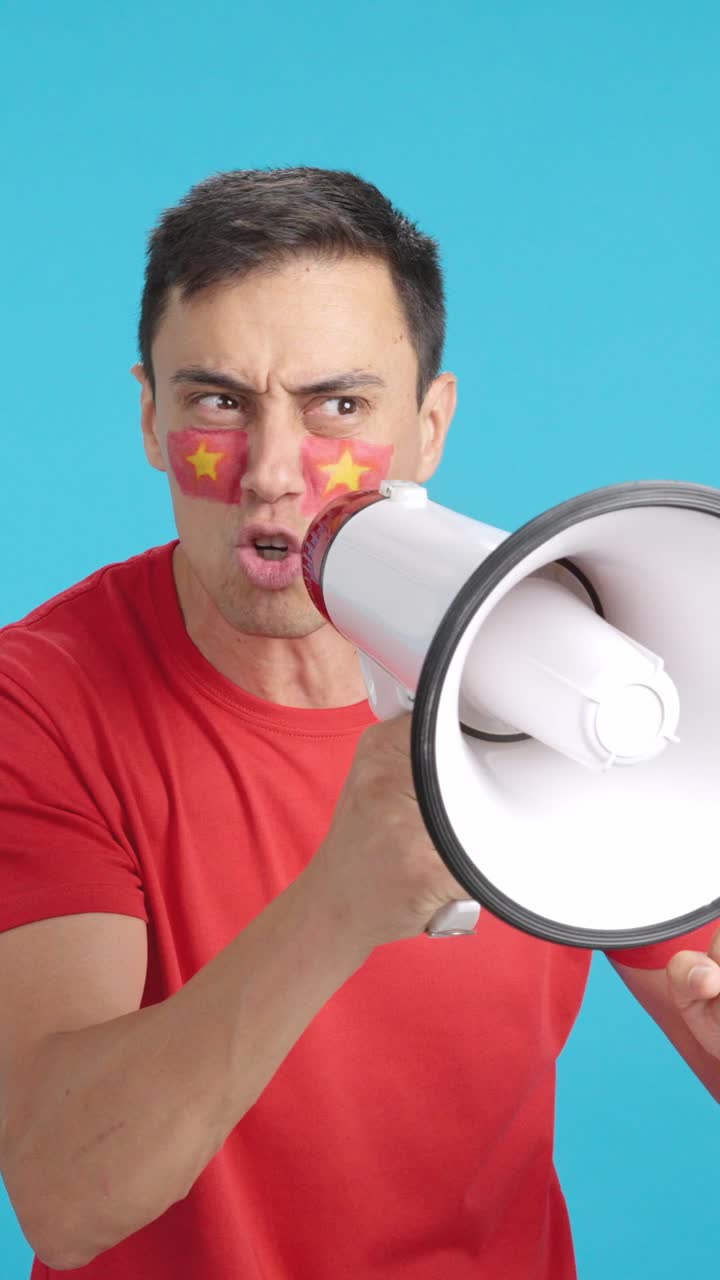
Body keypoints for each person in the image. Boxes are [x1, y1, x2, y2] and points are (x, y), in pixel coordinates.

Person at [0, 168, 718, 1280]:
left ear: (429, 425)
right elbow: (63, 1193)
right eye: (217, 402)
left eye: (339, 405)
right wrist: (341, 903)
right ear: (149, 416)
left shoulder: (574, 669)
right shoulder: (38, 700)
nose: (274, 474)